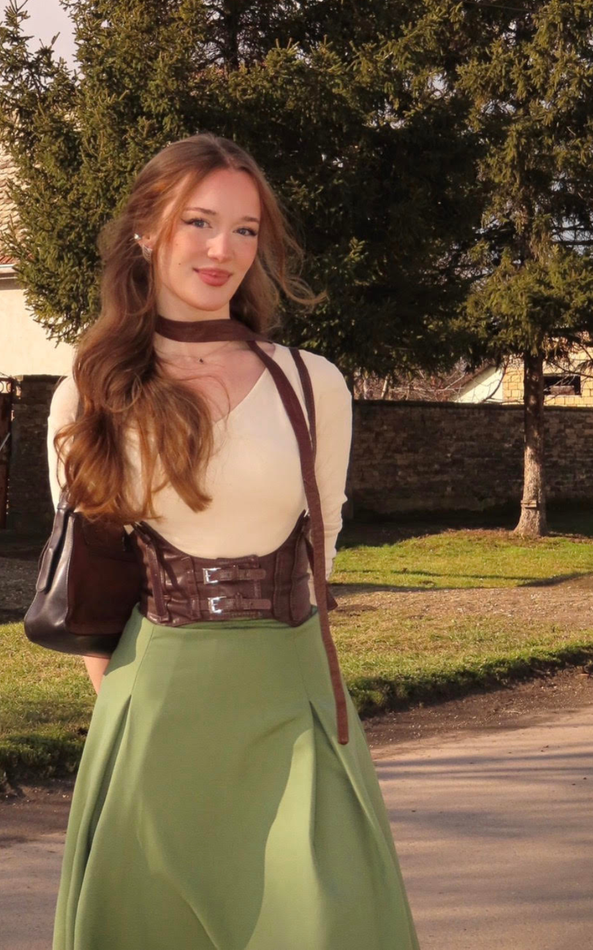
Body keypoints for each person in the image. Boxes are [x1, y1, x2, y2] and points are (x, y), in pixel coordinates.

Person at [46, 134, 420, 949]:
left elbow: (323, 550)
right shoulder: (91, 391)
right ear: (147, 230)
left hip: (293, 696)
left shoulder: (312, 383)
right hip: (155, 701)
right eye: (200, 223)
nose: (224, 251)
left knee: (328, 922)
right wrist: (123, 712)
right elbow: (90, 580)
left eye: (246, 230)